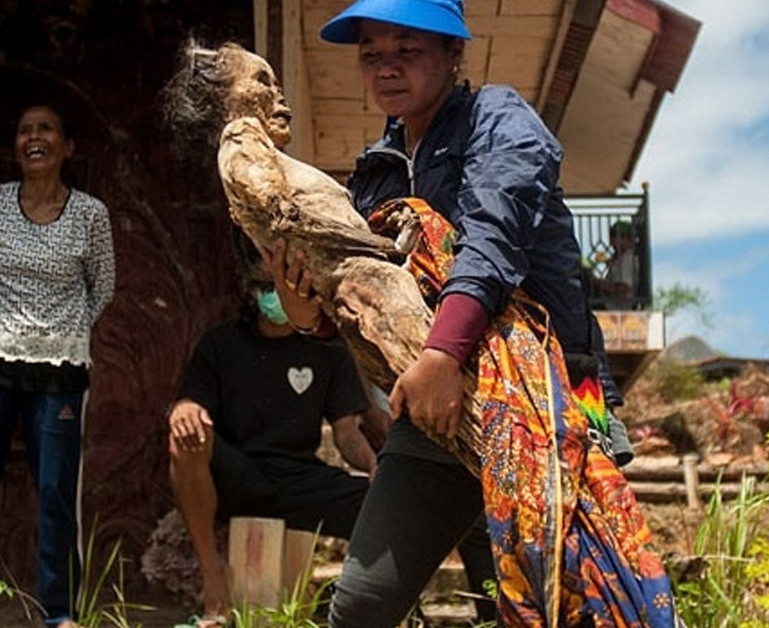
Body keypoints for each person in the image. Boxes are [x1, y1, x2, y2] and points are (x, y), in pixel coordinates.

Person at [264, 1, 672, 625]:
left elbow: (492, 239)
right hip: (435, 403)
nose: (386, 67)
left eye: (407, 49)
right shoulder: (375, 173)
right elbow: (362, 298)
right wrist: (303, 310)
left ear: (453, 53)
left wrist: (443, 353)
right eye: (371, 54)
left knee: (564, 600)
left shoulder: (500, 120)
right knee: (362, 603)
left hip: (552, 398)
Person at [159, 42, 497, 625]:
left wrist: (378, 465)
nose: (278, 96)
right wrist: (385, 249)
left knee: (461, 465)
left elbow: (347, 429)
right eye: (260, 81)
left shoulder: (321, 336)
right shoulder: (242, 148)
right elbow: (292, 219)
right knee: (483, 447)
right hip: (246, 469)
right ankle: (218, 593)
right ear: (225, 100)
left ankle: (487, 599)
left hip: (307, 470)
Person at [165, 245, 378, 628]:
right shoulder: (221, 344)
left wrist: (374, 466)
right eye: (266, 287)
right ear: (251, 291)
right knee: (185, 439)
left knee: (384, 508)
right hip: (238, 475)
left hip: (300, 478)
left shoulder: (329, 350)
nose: (275, 296)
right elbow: (190, 402)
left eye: (282, 287)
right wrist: (186, 410)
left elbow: (347, 434)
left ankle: (361, 605)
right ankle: (214, 582)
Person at [0, 102, 115, 628]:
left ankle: (59, 612)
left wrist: (64, 330)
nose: (34, 138)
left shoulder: (90, 214)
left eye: (45, 129)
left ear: (67, 146)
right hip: (0, 358)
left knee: (54, 491)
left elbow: (102, 287)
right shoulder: (0, 203)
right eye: (25, 130)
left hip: (61, 369)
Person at [593, 220, 638, 299]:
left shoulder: (628, 259)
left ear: (627, 239)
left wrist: (596, 282)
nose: (612, 243)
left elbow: (624, 289)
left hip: (619, 304)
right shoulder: (619, 259)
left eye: (615, 237)